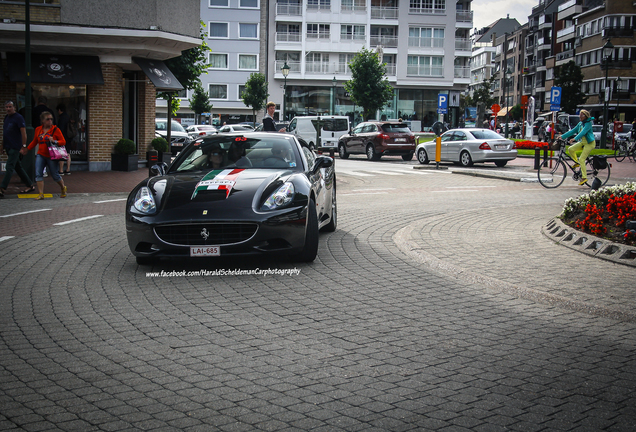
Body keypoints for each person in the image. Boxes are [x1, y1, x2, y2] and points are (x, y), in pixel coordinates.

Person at [20, 111, 68, 199]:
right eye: (47, 119)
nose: (50, 121)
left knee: (55, 175)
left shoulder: (55, 129)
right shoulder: (38, 129)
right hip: (41, 155)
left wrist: (55, 141)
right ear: (42, 121)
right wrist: (27, 149)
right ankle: (41, 194)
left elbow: (63, 141)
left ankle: (62, 187)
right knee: (38, 173)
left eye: (51, 119)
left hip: (51, 156)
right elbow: (35, 141)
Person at [1, 101, 35, 198]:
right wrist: (2, 145)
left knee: (9, 166)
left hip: (15, 147)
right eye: (6, 107)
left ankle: (2, 188)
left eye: (10, 107)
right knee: (17, 167)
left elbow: (23, 133)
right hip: (8, 146)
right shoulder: (6, 118)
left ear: (14, 107)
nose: (8, 109)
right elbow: (5, 133)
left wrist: (24, 145)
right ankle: (29, 185)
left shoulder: (19, 118)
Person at [559, 110, 595, 186]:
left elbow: (583, 132)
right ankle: (576, 163)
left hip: (589, 143)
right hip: (583, 142)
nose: (580, 117)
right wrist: (562, 137)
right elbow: (572, 131)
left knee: (582, 159)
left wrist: (574, 139)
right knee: (570, 149)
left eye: (581, 116)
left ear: (585, 116)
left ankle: (584, 177)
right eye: (579, 115)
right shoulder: (580, 124)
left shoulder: (588, 124)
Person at [56, 103, 71, 175]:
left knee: (61, 153)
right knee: (67, 153)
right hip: (68, 137)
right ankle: (68, 169)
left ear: (59, 110)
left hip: (62, 138)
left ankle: (61, 170)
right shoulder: (68, 117)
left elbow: (60, 129)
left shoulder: (61, 118)